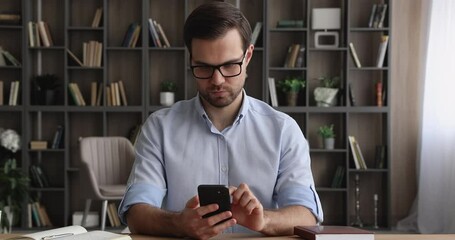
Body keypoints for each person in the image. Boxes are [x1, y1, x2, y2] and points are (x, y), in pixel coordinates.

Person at [119, 2, 323, 238]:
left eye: (229, 65)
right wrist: (180, 223)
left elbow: (307, 214)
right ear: (191, 60)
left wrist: (264, 220)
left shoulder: (283, 130)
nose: (217, 80)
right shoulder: (159, 128)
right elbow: (136, 212)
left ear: (247, 56)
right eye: (203, 67)